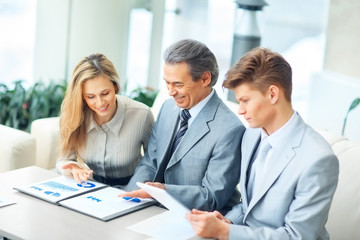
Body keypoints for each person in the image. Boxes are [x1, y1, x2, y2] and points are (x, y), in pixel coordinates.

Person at [186, 47, 339, 240]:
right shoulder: (251, 135)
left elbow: (298, 236)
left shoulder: (318, 159)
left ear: (273, 94)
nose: (240, 111)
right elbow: (250, 206)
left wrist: (225, 232)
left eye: (245, 101)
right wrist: (227, 221)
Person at [121, 39, 246, 213]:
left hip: (198, 218)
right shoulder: (168, 108)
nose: (171, 91)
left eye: (178, 84)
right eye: (167, 83)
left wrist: (163, 192)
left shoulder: (230, 129)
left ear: (205, 78)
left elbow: (211, 197)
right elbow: (150, 163)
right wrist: (127, 198)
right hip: (155, 209)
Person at [56, 53, 154, 186]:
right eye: (90, 96)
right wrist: (72, 168)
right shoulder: (73, 115)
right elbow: (62, 161)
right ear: (82, 97)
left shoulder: (142, 115)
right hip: (89, 187)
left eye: (105, 93)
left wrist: (131, 192)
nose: (100, 103)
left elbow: (153, 165)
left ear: (115, 86)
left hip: (131, 187)